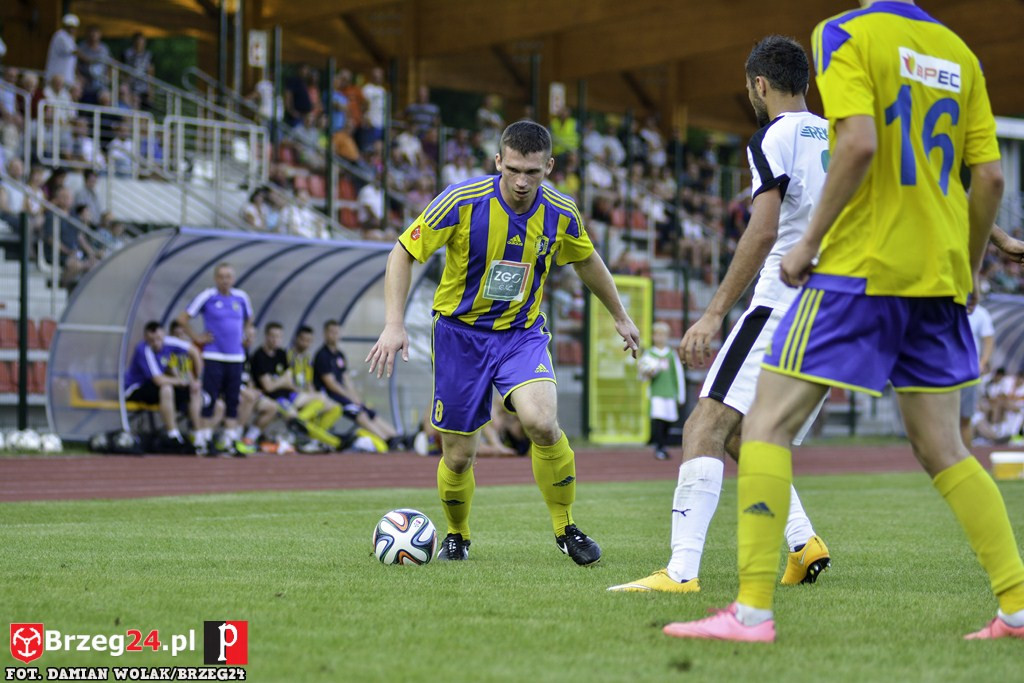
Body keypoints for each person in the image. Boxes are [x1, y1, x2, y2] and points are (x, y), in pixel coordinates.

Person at [663, 1, 1024, 642]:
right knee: (945, 448)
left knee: (762, 424)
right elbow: (986, 178)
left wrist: (806, 246)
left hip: (858, 271)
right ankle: (1017, 609)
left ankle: (749, 613)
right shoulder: (958, 52)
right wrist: (976, 261)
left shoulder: (845, 34)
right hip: (939, 276)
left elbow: (861, 145)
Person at [610, 36, 831, 594]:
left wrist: (712, 315)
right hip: (835, 308)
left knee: (703, 424)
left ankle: (681, 571)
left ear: (759, 84)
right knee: (744, 433)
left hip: (784, 299)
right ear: (803, 80)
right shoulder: (841, 136)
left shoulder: (772, 138)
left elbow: (763, 229)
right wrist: (992, 235)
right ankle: (803, 543)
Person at [366, 119, 640, 565]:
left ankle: (565, 527)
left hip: (521, 335)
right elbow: (402, 251)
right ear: (498, 161)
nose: (520, 181)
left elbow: (587, 259)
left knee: (542, 423)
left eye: (532, 172)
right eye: (512, 169)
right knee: (458, 456)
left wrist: (620, 315)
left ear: (549, 167)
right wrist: (393, 324)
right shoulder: (460, 201)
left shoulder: (561, 212)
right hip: (459, 336)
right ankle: (457, 533)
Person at [177, 262, 254, 456]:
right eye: (221, 276)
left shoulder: (241, 297)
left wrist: (247, 334)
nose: (225, 280)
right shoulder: (208, 296)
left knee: (233, 400)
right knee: (208, 398)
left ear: (233, 279)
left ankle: (229, 439)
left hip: (236, 357)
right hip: (214, 356)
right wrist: (196, 337)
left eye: (228, 276)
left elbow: (249, 319)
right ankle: (203, 438)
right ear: (215, 278)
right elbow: (182, 319)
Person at [314, 319, 402, 450]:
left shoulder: (339, 355)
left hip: (343, 395)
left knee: (366, 410)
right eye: (331, 332)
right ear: (325, 334)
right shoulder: (322, 355)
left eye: (336, 332)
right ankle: (385, 440)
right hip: (331, 396)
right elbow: (330, 383)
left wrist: (355, 397)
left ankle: (396, 436)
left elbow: (346, 378)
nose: (334, 335)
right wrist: (349, 397)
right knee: (359, 413)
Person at [124, 321, 200, 450]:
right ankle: (172, 434)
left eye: (159, 339)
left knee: (193, 391)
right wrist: (181, 381)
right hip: (137, 389)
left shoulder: (170, 344)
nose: (156, 343)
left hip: (159, 386)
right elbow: (158, 380)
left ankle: (199, 434)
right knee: (166, 388)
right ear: (146, 338)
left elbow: (194, 352)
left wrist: (195, 379)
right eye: (152, 340)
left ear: (164, 335)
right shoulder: (143, 349)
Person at [637, 321, 684, 462]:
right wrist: (650, 370)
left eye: (663, 335)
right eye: (657, 334)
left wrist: (680, 395)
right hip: (656, 393)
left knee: (668, 421)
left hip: (669, 393)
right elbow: (642, 376)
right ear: (653, 336)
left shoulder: (671, 354)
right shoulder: (649, 354)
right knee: (658, 420)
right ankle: (658, 447)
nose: (660, 338)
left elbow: (678, 375)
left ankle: (664, 446)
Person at [961, 292, 995, 447]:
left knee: (966, 417)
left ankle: (965, 457)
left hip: (969, 371)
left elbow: (988, 339)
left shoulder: (980, 313)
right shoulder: (949, 310)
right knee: (946, 419)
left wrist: (982, 362)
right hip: (946, 371)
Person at [45, 14, 78, 87]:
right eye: (69, 26)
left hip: (66, 78)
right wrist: (91, 59)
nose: (71, 29)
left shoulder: (70, 38)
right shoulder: (60, 36)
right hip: (56, 78)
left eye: (73, 27)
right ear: (65, 26)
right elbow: (74, 52)